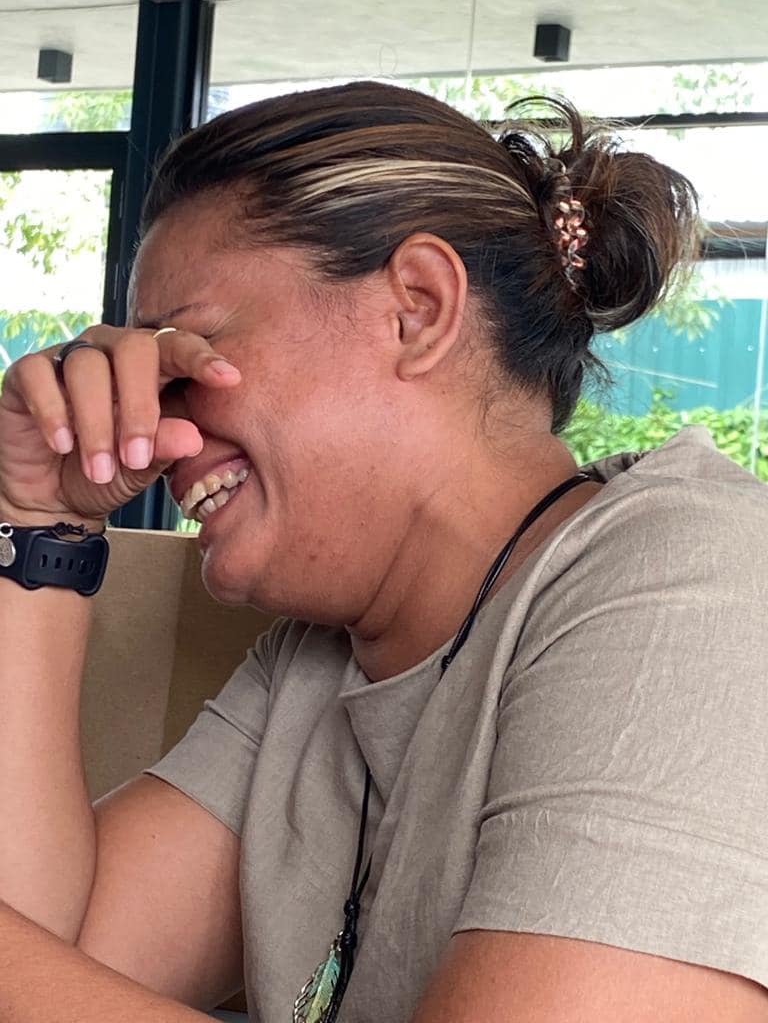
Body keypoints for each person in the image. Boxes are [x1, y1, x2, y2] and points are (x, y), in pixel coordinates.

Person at [0, 80, 767, 1023]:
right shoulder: (317, 661)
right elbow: (50, 959)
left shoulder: (697, 583)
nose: (159, 429)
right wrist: (36, 521)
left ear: (418, 308)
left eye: (186, 353)